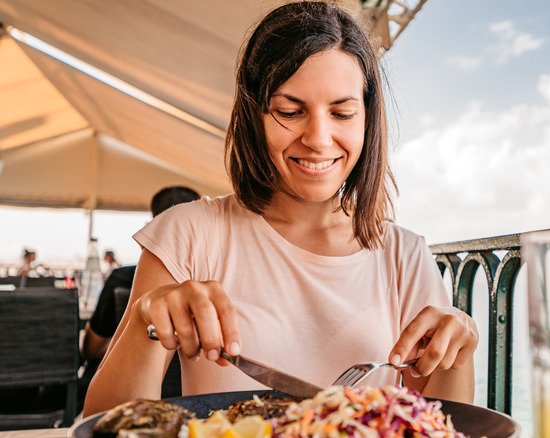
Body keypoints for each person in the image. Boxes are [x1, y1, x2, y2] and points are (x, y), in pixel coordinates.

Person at [84, 2, 478, 416]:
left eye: (342, 113)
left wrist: (460, 348)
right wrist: (146, 323)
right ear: (255, 115)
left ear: (367, 120)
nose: (319, 138)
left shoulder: (405, 255)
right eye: (290, 111)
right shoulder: (189, 233)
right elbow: (101, 422)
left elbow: (442, 421)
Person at [81, 186, 202, 362]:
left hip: (129, 381)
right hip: (204, 388)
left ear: (153, 226)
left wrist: (128, 345)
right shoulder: (213, 283)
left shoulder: (122, 279)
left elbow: (91, 351)